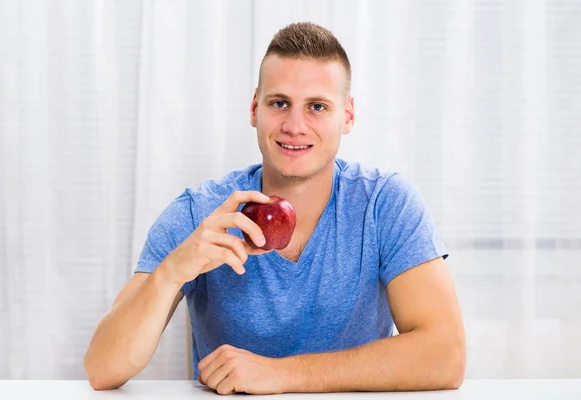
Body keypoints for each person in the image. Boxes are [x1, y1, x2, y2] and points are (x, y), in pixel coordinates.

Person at [83, 21, 466, 395]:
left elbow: (445, 355)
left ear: (346, 116)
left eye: (317, 106)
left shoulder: (385, 205)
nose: (294, 125)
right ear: (254, 109)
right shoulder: (200, 213)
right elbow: (103, 369)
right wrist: (170, 273)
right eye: (279, 103)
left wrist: (280, 375)